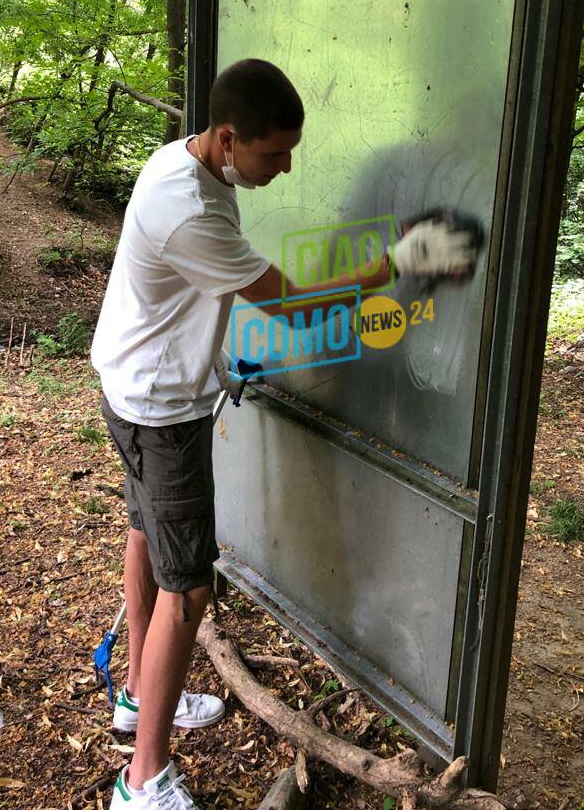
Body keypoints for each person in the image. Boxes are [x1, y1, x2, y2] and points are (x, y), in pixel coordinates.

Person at [92, 58, 480, 809]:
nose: (286, 166)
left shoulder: (191, 163)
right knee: (190, 589)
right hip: (160, 410)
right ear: (230, 138)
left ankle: (137, 700)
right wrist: (394, 263)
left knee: (146, 537)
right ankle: (142, 783)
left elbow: (225, 290)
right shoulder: (190, 210)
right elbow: (297, 309)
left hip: (136, 386)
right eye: (275, 153)